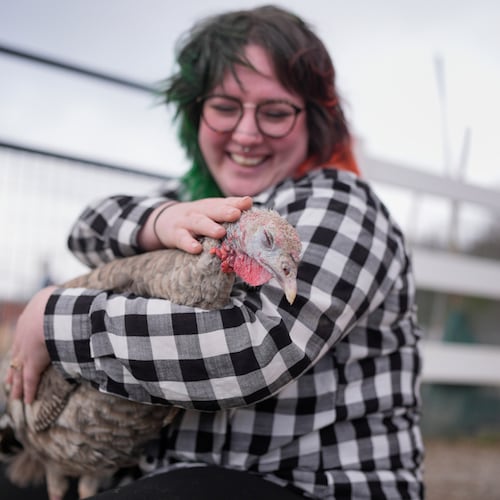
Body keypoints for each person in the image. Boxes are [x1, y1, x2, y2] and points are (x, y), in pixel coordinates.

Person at [7, 5, 424, 499]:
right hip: (173, 472)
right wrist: (162, 219)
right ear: (195, 112)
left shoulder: (340, 206)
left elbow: (254, 351)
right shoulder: (190, 202)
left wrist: (55, 320)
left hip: (306, 484)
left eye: (274, 112)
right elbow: (88, 230)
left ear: (313, 118)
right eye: (225, 107)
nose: (246, 134)